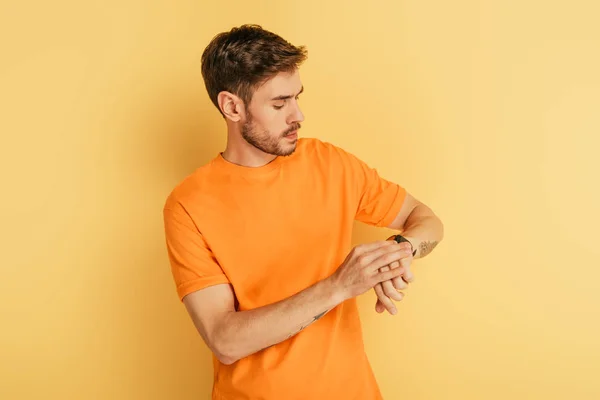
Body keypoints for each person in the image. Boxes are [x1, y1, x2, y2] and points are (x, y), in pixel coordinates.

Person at [162, 24, 444, 400]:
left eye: (297, 97)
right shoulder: (189, 204)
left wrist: (398, 250)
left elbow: (426, 220)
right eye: (279, 104)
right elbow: (224, 339)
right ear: (231, 106)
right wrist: (340, 285)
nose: (298, 115)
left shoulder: (330, 163)